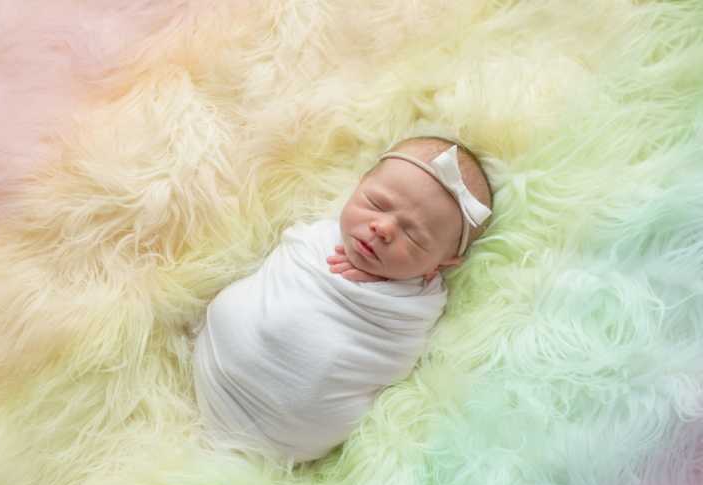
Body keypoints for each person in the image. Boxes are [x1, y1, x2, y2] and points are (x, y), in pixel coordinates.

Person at [191, 136, 494, 464]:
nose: (383, 228)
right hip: (214, 363)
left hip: (285, 434)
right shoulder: (319, 238)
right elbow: (288, 255)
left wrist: (380, 287)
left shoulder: (419, 304)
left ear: (441, 264)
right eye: (376, 203)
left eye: (414, 236)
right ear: (360, 185)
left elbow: (400, 353)